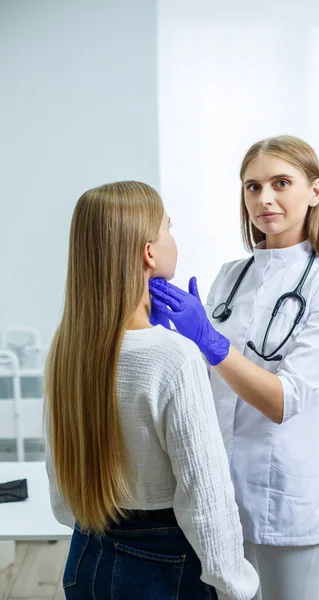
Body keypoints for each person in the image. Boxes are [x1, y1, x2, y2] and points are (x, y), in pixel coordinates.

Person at [149, 135, 319, 600]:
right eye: (252, 186)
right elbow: (207, 382)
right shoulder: (229, 275)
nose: (264, 199)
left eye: (281, 183)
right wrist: (175, 341)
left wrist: (210, 340)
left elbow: (284, 401)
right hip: (215, 492)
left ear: (315, 192)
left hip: (283, 494)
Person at [44, 181, 259, 600]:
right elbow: (205, 493)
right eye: (168, 227)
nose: (172, 238)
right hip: (164, 566)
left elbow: (60, 489)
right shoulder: (173, 356)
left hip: (86, 556)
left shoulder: (66, 346)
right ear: (149, 252)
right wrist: (235, 585)